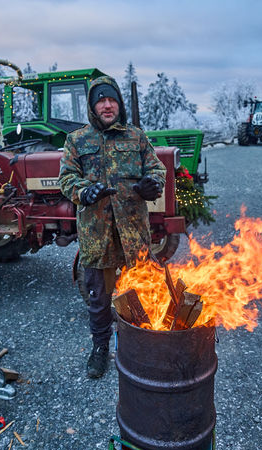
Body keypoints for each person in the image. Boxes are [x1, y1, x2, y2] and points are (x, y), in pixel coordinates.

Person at [59, 76, 166, 379]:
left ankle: (144, 344)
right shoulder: (77, 140)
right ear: (93, 106)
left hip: (133, 232)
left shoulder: (136, 137)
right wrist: (85, 192)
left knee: (141, 290)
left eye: (112, 100)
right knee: (99, 297)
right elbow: (67, 178)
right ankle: (100, 347)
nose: (107, 105)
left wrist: (151, 184)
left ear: (119, 104)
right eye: (101, 101)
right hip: (97, 234)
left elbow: (156, 168)